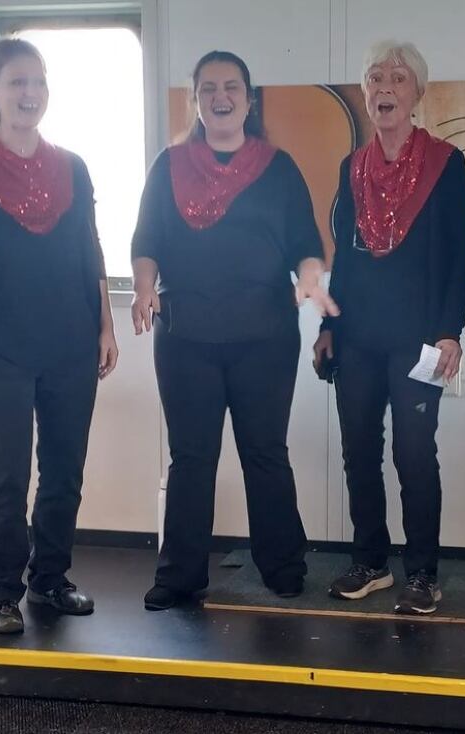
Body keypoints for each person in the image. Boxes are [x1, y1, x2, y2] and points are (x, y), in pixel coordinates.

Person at [131, 50, 337, 611]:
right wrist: (145, 286)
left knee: (265, 453)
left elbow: (306, 246)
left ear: (249, 98)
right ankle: (179, 576)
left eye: (231, 87)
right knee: (191, 458)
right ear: (196, 100)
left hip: (264, 338)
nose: (220, 97)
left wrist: (312, 281)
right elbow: (146, 241)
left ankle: (283, 567)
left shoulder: (279, 166)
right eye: (208, 88)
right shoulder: (168, 165)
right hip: (186, 337)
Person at [0, 39, 118, 634]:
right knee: (7, 474)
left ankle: (50, 580)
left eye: (37, 82)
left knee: (65, 469)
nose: (28, 93)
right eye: (16, 82)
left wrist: (105, 327)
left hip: (70, 340)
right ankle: (2, 593)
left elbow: (91, 250)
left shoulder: (73, 166)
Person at [313, 41, 465, 615]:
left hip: (419, 340)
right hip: (356, 336)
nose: (385, 87)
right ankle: (370, 562)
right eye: (376, 77)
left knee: (413, 454)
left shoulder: (446, 163)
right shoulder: (350, 167)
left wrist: (450, 331)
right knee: (359, 450)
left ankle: (423, 573)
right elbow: (346, 259)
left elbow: (459, 255)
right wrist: (329, 326)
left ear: (416, 94)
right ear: (364, 93)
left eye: (398, 78)